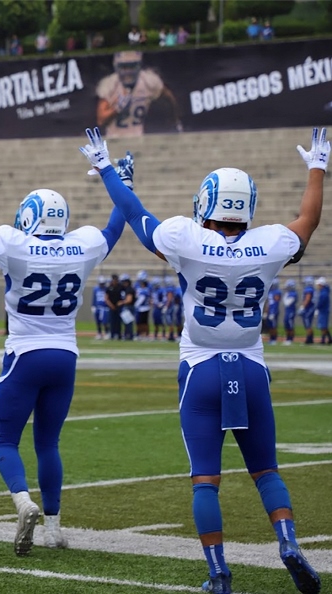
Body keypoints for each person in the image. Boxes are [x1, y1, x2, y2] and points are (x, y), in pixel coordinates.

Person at [82, 125, 326, 594]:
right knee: (267, 470)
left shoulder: (184, 237)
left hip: (201, 368)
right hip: (252, 368)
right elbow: (308, 220)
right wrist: (317, 167)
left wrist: (108, 167)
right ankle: (289, 542)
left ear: (206, 202)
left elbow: (134, 215)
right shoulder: (272, 242)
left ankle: (219, 573)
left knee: (206, 481)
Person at [0, 145, 125, 555]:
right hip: (65, 356)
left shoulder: (14, 244)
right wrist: (125, 183)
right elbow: (116, 228)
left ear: (29, 216)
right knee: (48, 444)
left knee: (5, 441)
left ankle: (22, 502)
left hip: (25, 355)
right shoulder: (83, 245)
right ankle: (53, 528)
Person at [96, 51, 183, 138]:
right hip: (114, 138)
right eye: (124, 67)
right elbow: (101, 120)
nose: (128, 72)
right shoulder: (110, 84)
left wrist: (175, 120)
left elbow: (169, 97)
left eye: (132, 67)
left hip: (139, 137)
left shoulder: (148, 81)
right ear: (117, 68)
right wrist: (117, 108)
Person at [105, 274, 124, 340]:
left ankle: (119, 334)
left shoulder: (120, 287)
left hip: (119, 306)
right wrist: (111, 305)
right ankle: (112, 334)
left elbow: (123, 296)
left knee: (118, 321)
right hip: (112, 307)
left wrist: (121, 302)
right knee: (112, 321)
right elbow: (106, 298)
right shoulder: (109, 287)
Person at [263, 278, 282, 345]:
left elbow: (276, 303)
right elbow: (268, 303)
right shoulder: (270, 292)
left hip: (274, 311)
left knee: (273, 326)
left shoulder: (277, 292)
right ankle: (271, 338)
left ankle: (274, 338)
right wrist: (266, 311)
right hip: (269, 311)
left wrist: (273, 312)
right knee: (270, 326)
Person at [299, 276, 316, 344]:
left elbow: (307, 298)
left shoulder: (309, 289)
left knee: (307, 323)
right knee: (307, 324)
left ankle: (309, 339)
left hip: (308, 309)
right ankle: (310, 338)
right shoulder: (311, 289)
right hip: (309, 308)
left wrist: (303, 306)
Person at [134, 271, 151, 339]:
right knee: (138, 322)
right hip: (140, 308)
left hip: (144, 307)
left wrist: (135, 305)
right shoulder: (137, 286)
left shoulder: (146, 289)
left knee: (144, 322)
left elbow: (142, 299)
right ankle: (139, 333)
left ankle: (145, 334)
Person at [282, 279, 299, 345]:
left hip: (291, 311)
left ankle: (290, 338)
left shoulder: (293, 294)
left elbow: (287, 303)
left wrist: (285, 296)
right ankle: (287, 338)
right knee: (286, 324)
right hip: (287, 311)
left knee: (290, 324)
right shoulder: (289, 293)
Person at [316, 277, 330, 344]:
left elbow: (322, 302)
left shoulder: (324, 292)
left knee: (323, 326)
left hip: (323, 310)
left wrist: (317, 308)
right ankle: (330, 339)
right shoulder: (324, 291)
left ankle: (323, 340)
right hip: (323, 310)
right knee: (324, 325)